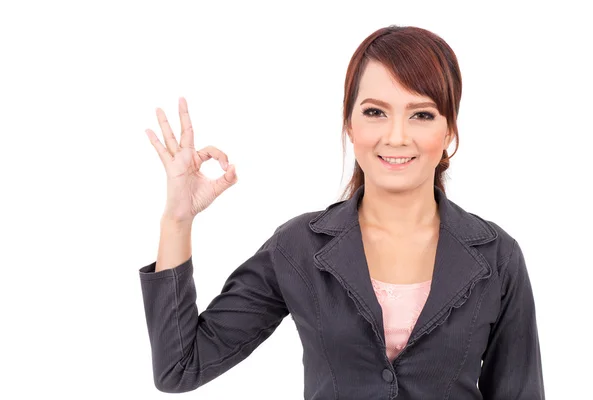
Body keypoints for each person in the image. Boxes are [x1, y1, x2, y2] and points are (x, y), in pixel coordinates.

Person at [139, 25, 545, 399]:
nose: (397, 136)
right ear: (350, 125)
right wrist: (178, 218)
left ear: (449, 130)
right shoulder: (299, 246)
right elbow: (180, 367)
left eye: (421, 114)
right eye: (375, 112)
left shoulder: (497, 257)